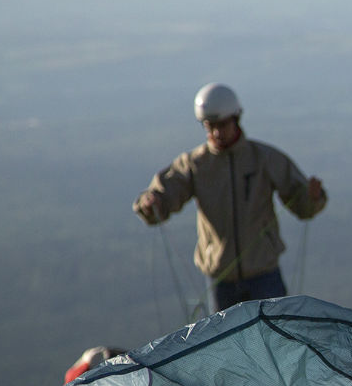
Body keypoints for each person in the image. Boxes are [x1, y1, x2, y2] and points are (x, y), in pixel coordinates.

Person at [133, 83, 328, 313]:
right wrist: (150, 204)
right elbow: (163, 196)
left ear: (236, 118)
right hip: (220, 281)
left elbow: (302, 204)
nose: (216, 133)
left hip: (264, 276)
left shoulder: (264, 158)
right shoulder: (194, 164)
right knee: (227, 348)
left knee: (272, 344)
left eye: (222, 125)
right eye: (210, 126)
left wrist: (312, 198)